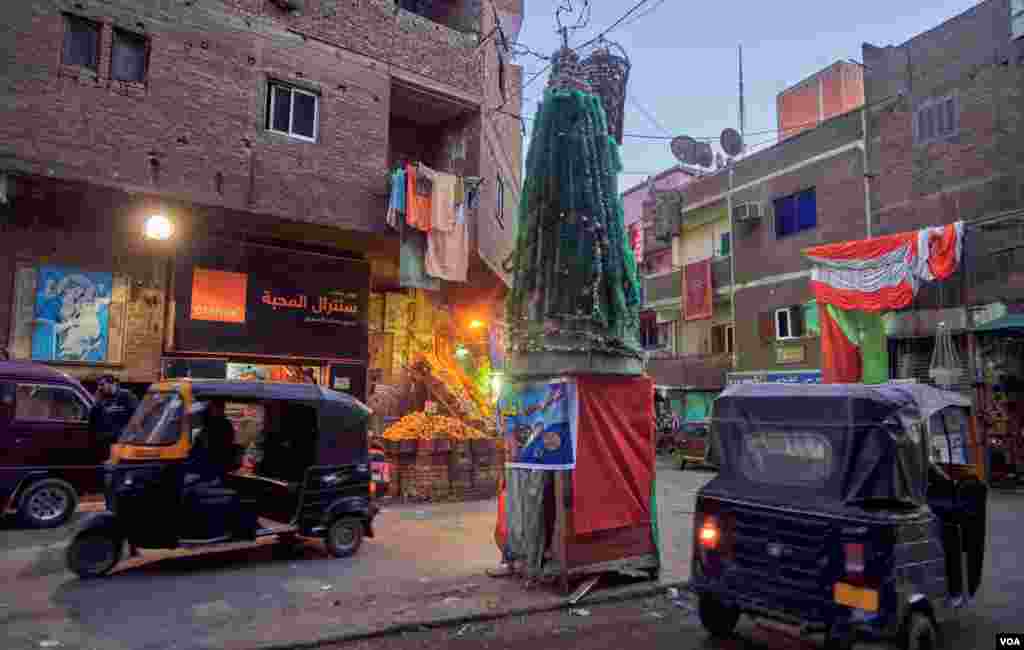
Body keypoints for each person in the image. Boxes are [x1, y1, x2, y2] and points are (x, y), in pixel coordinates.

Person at [189, 400, 240, 482]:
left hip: (213, 464)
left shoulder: (222, 425)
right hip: (205, 462)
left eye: (217, 408)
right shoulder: (209, 424)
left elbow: (215, 447)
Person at [88, 374, 139, 452]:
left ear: (112, 384)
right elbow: (93, 419)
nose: (99, 387)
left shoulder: (126, 396)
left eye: (102, 384)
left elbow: (136, 417)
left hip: (121, 441)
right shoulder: (101, 398)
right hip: (105, 442)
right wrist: (96, 403)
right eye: (98, 385)